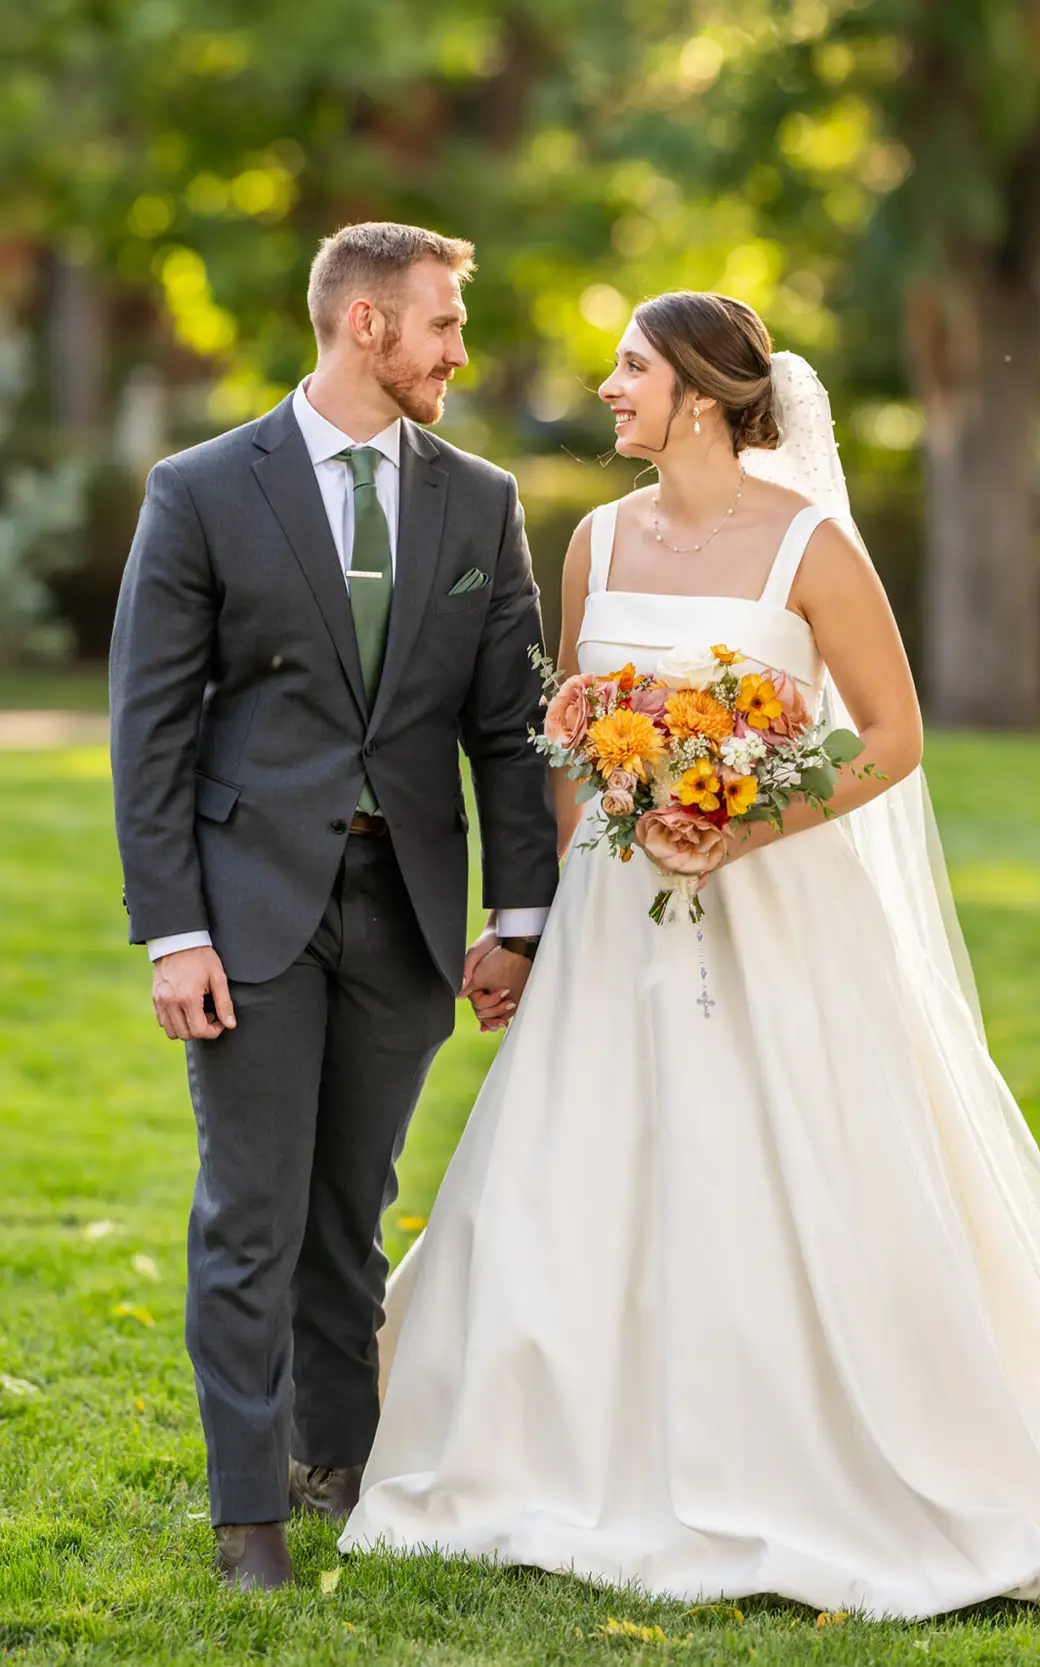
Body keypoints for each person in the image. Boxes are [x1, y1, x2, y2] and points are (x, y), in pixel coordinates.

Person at [338, 291, 1040, 1618]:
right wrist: (591, 847)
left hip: (774, 911)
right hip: (614, 921)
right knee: (581, 1163)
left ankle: (804, 1446)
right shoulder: (594, 540)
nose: (609, 388)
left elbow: (889, 734)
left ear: (699, 394)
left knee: (778, 1155)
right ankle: (544, 1442)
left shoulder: (810, 546)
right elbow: (572, 730)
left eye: (630, 368)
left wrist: (744, 821)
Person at [107, 221, 555, 1590]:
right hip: (248, 905)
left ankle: (338, 1465)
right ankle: (250, 1515)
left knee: (351, 1208)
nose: (457, 354)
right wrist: (174, 932)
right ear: (365, 325)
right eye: (441, 326)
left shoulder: (481, 500)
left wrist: (520, 914)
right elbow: (150, 728)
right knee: (252, 1210)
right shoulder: (201, 487)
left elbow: (510, 729)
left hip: (410, 908)